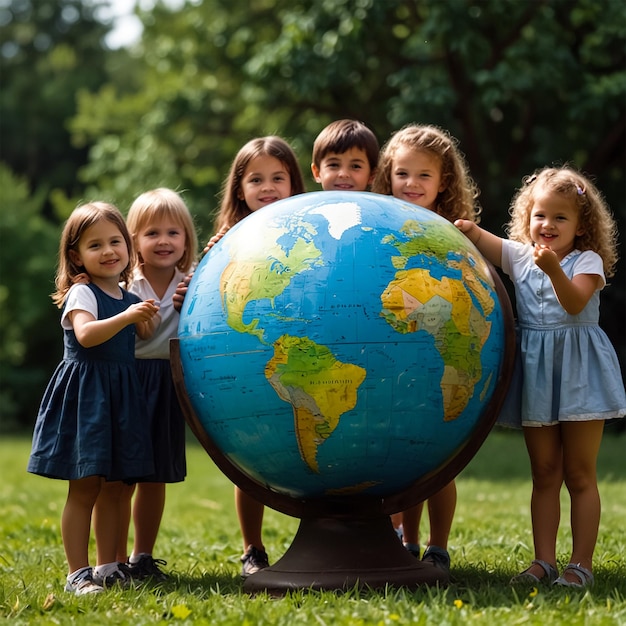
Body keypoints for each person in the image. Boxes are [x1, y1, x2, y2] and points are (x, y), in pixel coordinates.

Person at [455, 166, 625, 588]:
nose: (547, 225)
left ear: (581, 225)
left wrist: (552, 269)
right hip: (538, 375)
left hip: (580, 372)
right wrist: (457, 225)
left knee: (580, 473)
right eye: (539, 216)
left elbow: (573, 303)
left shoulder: (587, 261)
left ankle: (580, 564)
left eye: (560, 217)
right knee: (545, 471)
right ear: (527, 217)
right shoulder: (519, 254)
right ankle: (543, 561)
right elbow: (477, 238)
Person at [174, 136, 305, 577]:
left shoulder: (305, 233)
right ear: (239, 189)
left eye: (277, 178)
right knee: (250, 453)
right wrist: (186, 295)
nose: (267, 187)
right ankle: (252, 548)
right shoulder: (227, 244)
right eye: (256, 179)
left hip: (297, 351)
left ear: (294, 183)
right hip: (246, 360)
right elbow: (209, 298)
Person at [27, 202, 160, 595]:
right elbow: (86, 336)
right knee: (85, 485)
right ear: (75, 256)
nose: (108, 251)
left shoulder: (125, 294)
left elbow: (143, 337)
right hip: (87, 396)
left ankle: (108, 567)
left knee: (117, 485)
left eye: (116, 241)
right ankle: (77, 573)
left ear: (128, 246)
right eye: (95, 245)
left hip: (121, 395)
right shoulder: (81, 293)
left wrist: (145, 317)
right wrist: (128, 316)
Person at [372, 123, 481, 572]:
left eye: (423, 176)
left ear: (444, 182)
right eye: (402, 174)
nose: (411, 184)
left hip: (445, 351)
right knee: (400, 454)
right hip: (396, 349)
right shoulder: (377, 227)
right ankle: (405, 539)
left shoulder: (452, 235)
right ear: (387, 176)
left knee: (437, 460)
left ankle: (437, 545)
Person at [111, 188, 198, 581]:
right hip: (129, 381)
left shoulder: (194, 286)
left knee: (155, 475)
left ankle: (141, 557)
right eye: (151, 234)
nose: (164, 241)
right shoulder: (123, 285)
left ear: (186, 240)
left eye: (173, 233)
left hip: (167, 382)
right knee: (121, 475)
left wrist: (191, 304)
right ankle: (111, 561)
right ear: (134, 243)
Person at [311, 119, 379, 191]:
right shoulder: (305, 202)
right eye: (334, 165)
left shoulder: (383, 202)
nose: (343, 174)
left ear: (372, 175)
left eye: (355, 166)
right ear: (317, 172)